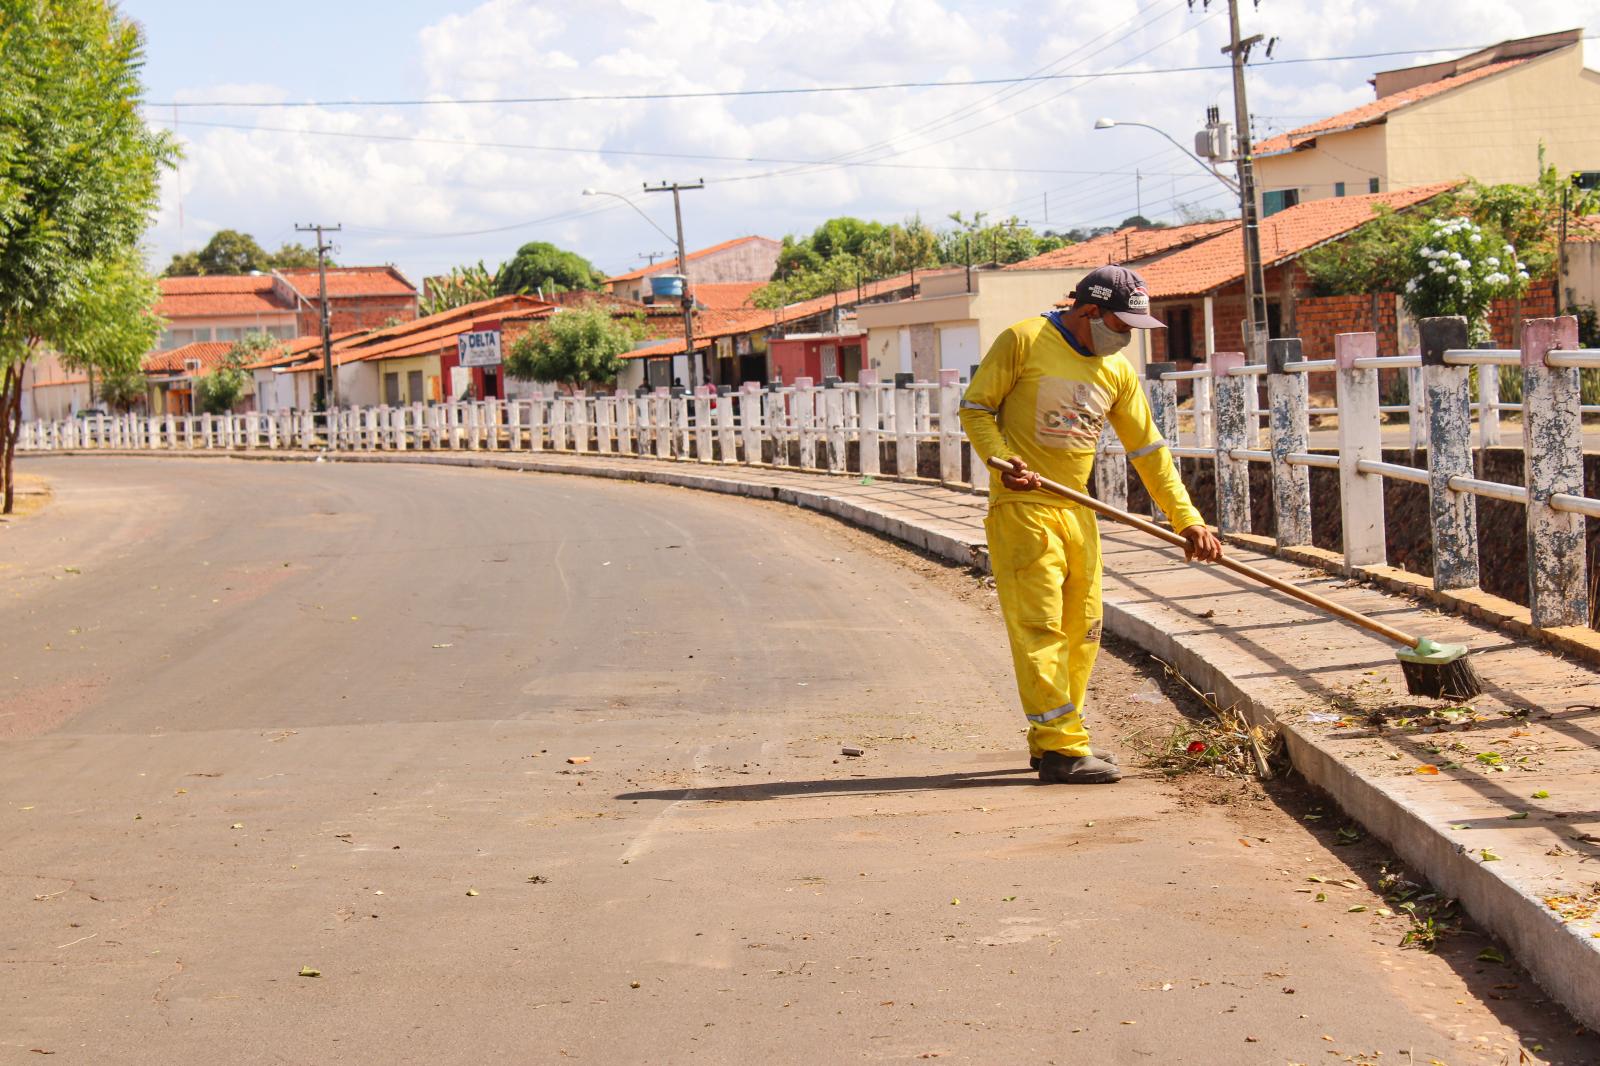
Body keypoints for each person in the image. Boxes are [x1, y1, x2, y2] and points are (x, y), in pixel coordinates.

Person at [959, 264, 1223, 785]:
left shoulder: (1116, 373)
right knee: (1040, 628)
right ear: (1088, 311)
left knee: (1083, 628)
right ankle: (1062, 748)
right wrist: (1000, 460)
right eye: (1121, 327)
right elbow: (976, 408)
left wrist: (1188, 520)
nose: (1126, 339)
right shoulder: (1023, 340)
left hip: (1077, 509)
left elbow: (1149, 452)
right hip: (1024, 509)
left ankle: (1054, 738)